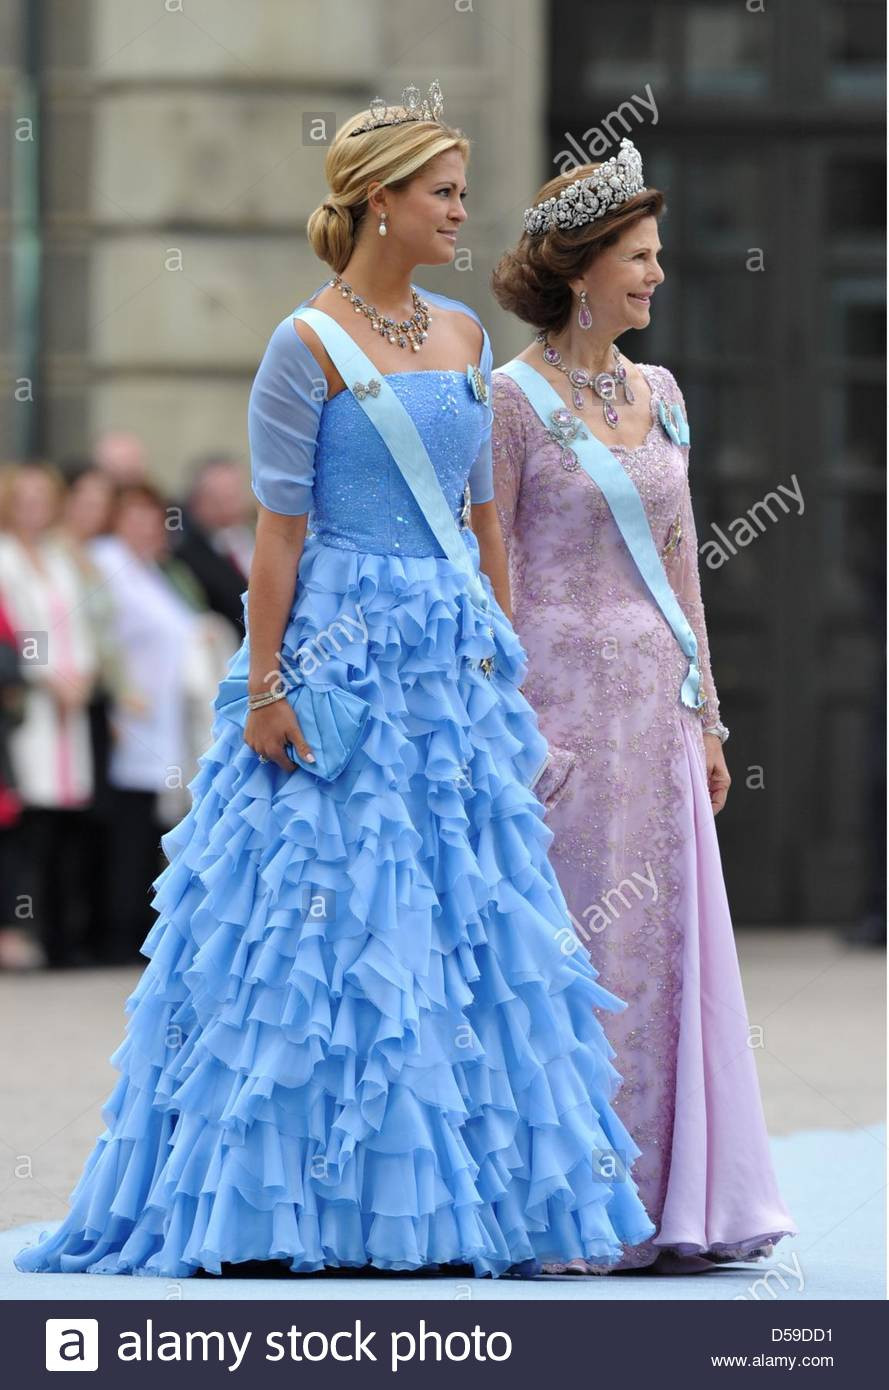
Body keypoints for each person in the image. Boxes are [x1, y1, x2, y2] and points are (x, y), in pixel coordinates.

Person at [14, 84, 655, 1279]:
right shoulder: (301, 342)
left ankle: (459, 1201)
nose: (466, 212)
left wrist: (500, 650)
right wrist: (267, 688)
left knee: (464, 914)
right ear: (380, 202)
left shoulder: (466, 336)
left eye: (464, 192)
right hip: (336, 652)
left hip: (447, 663)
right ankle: (283, 1206)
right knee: (325, 917)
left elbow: (483, 522)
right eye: (445, 193)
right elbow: (276, 538)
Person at [487, 139, 797, 1272]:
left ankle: (678, 1201)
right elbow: (491, 580)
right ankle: (576, 1207)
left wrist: (708, 718)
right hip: (558, 717)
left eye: (657, 255)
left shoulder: (660, 391)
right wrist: (502, 728)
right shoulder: (509, 403)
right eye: (641, 256)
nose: (659, 275)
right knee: (577, 956)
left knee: (666, 955)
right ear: (582, 268)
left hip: (656, 717)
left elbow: (682, 571)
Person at [0, 461, 99, 969]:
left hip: (70, 699)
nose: (35, 507)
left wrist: (81, 675)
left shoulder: (59, 559)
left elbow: (79, 626)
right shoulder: (6, 558)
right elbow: (14, 631)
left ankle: (64, 935)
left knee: (66, 819)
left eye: (44, 498)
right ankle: (24, 931)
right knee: (30, 817)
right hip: (33, 703)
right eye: (26, 498)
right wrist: (50, 679)